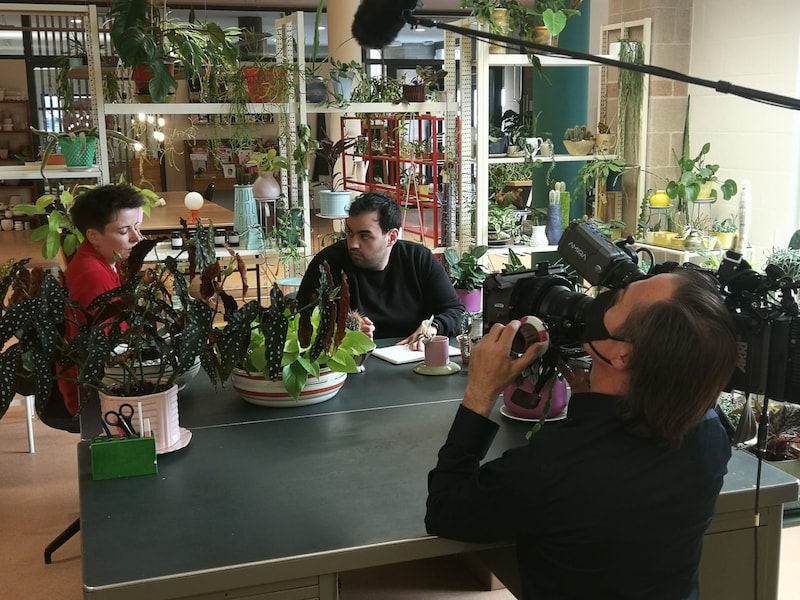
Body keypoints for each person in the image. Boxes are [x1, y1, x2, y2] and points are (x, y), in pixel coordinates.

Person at [426, 268, 737, 600]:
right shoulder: (710, 432)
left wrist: (480, 391)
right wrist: (590, 402)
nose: (597, 304)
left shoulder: (554, 465)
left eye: (617, 300)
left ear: (622, 355)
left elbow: (446, 511)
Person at [296, 192, 464, 348]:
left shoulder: (418, 259)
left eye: (365, 236)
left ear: (392, 237)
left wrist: (432, 328)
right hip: (350, 361)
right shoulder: (327, 264)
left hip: (412, 358)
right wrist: (341, 329)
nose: (353, 244)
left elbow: (455, 311)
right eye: (350, 233)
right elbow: (299, 320)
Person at [57, 184, 145, 414]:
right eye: (124, 231)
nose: (137, 238)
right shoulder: (93, 276)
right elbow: (109, 349)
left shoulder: (108, 262)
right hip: (96, 395)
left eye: (137, 227)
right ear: (94, 236)